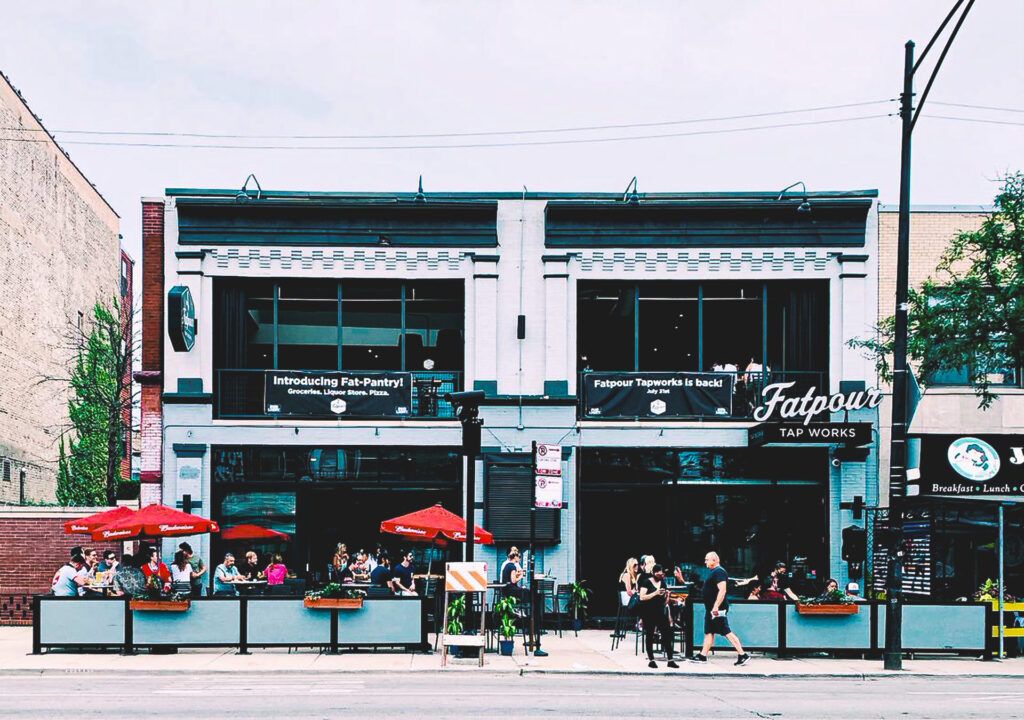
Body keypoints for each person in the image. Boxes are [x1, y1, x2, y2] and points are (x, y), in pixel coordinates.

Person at [692, 551, 749, 666]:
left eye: (707, 560)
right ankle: (703, 655)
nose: (705, 562)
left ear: (714, 560)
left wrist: (716, 607)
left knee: (726, 631)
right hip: (711, 609)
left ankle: (743, 654)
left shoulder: (719, 572)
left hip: (717, 609)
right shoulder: (714, 572)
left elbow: (722, 590)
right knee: (709, 631)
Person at [637, 564, 679, 669]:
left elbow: (665, 602)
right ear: (654, 573)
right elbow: (642, 597)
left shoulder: (663, 583)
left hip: (660, 612)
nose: (661, 576)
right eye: (659, 574)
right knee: (650, 635)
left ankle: (670, 659)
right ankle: (651, 659)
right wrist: (655, 593)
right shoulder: (647, 582)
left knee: (666, 634)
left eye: (662, 574)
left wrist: (667, 595)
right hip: (648, 612)